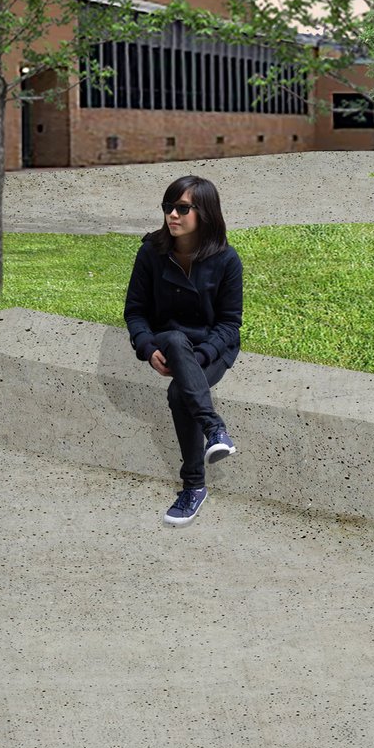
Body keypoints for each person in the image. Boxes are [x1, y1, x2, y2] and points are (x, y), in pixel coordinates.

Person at [121, 174, 245, 527]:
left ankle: (194, 486)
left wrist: (201, 356)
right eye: (168, 207)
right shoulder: (151, 252)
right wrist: (147, 348)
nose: (172, 215)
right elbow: (135, 312)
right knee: (175, 339)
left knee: (180, 393)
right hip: (170, 342)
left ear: (205, 212)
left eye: (182, 208)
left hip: (211, 348)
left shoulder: (227, 260)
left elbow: (230, 324)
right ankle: (215, 429)